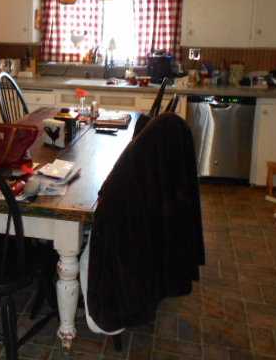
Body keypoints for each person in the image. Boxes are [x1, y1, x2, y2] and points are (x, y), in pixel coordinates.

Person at [80, 113, 205, 334]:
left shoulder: (126, 177)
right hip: (135, 246)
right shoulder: (148, 169)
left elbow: (104, 198)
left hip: (118, 249)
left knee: (76, 251)